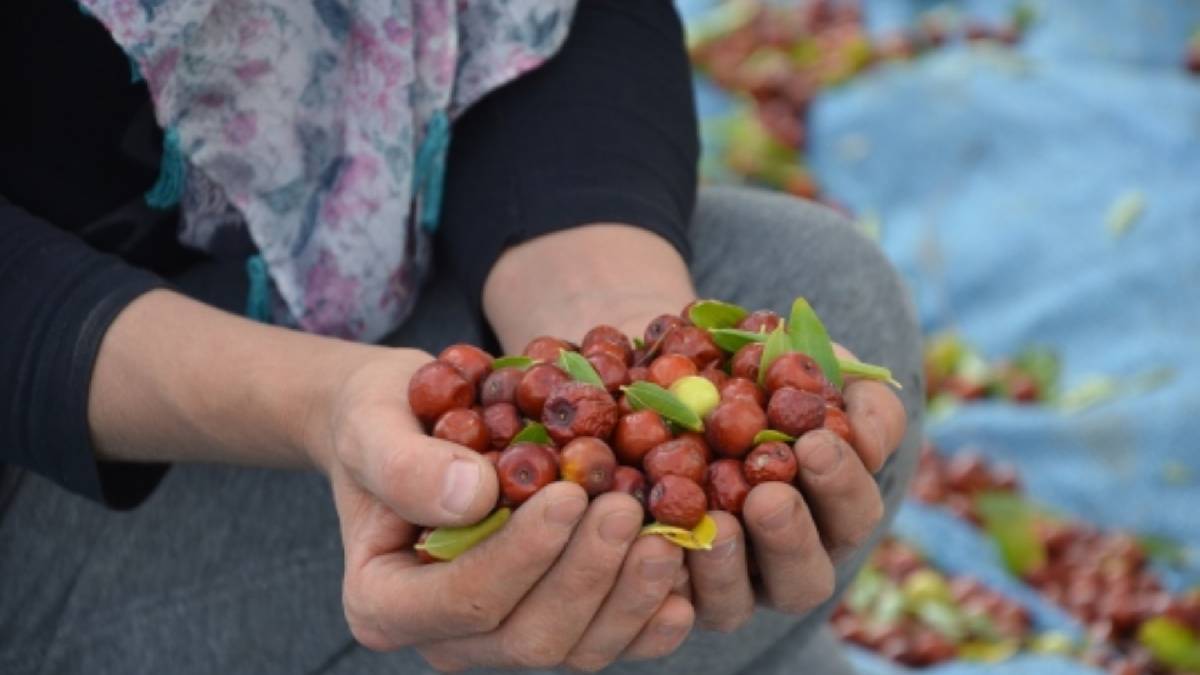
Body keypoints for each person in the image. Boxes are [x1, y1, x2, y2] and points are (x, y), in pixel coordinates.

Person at [0, 0, 921, 673]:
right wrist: (320, 405)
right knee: (527, 575)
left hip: (320, 319)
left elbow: (565, 22)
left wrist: (600, 299)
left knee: (832, 305)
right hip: (43, 478)